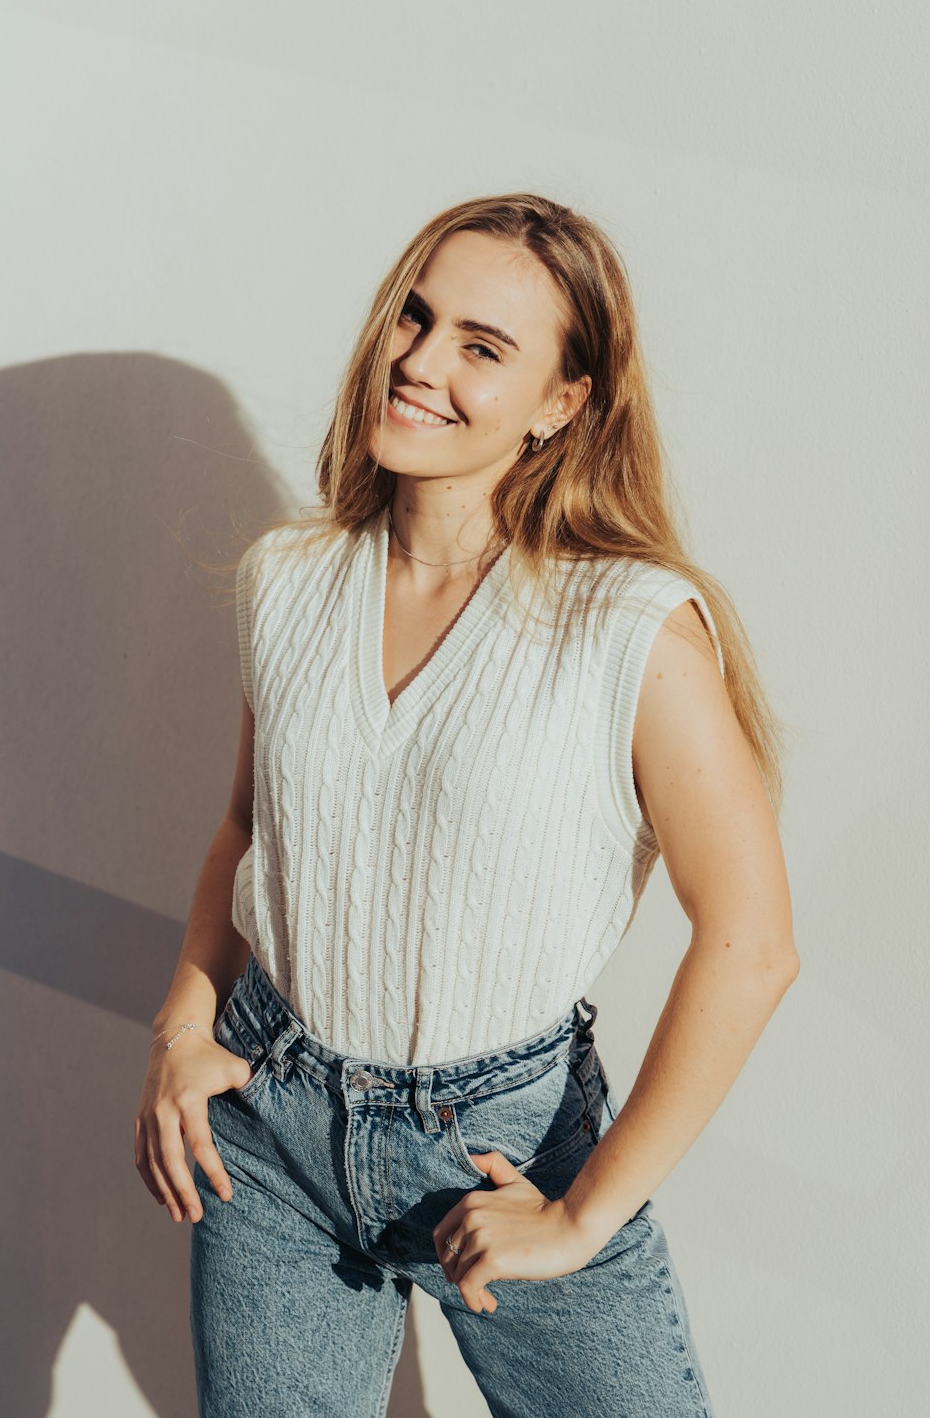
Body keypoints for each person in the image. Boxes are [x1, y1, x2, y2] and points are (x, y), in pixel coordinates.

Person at [134, 192, 798, 1417]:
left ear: (562, 403)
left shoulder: (632, 629)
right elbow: (246, 830)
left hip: (508, 1149)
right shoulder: (288, 582)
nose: (419, 362)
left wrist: (583, 1211)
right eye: (415, 317)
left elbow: (752, 944)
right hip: (273, 1139)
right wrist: (182, 1029)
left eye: (481, 348)